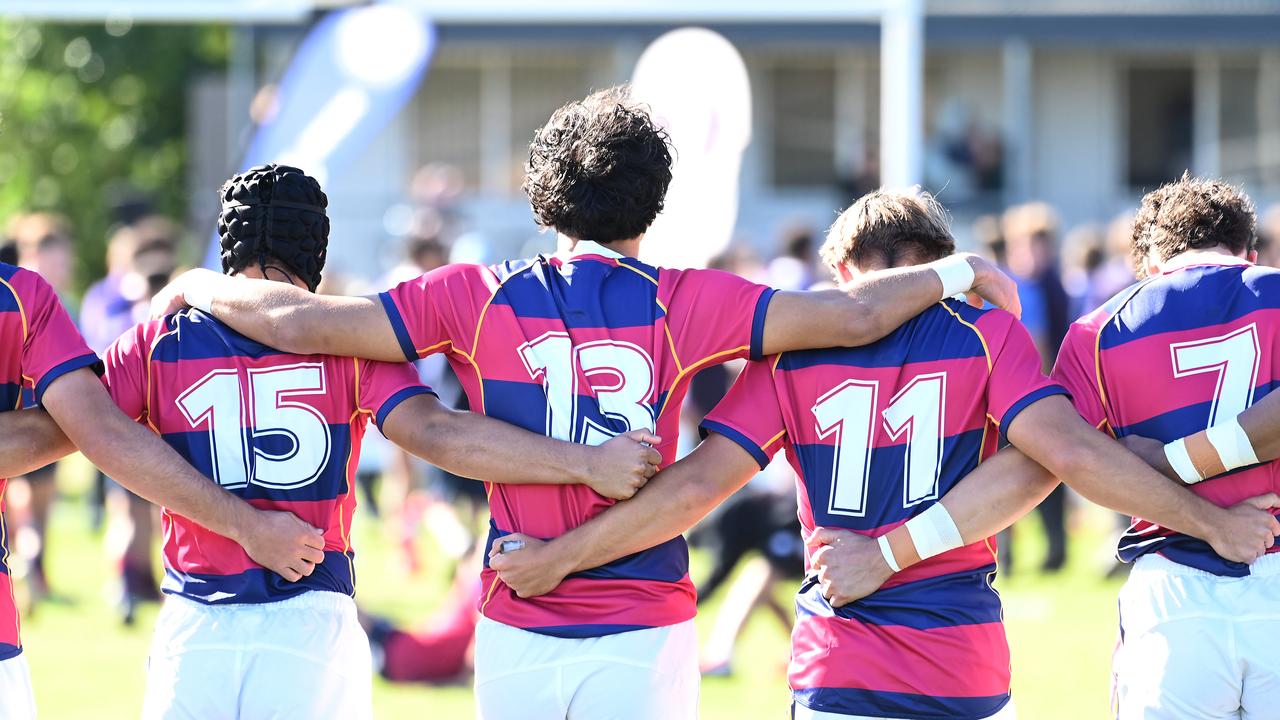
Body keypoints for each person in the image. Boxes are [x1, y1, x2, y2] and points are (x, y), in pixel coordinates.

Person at [151, 87, 1021, 720]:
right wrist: (961, 268)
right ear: (654, 199)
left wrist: (197, 280)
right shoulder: (687, 299)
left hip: (518, 607)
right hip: (644, 616)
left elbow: (305, 325)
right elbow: (859, 310)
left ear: (542, 193)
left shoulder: (476, 294)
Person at [484, 188, 1280, 720]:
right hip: (961, 650)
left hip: (840, 652)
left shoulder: (791, 359)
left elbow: (692, 492)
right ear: (938, 263)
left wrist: (566, 553)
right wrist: (1206, 515)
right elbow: (1059, 458)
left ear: (843, 273)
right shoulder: (985, 332)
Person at [83, 164, 658, 719]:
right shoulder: (348, 344)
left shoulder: (157, 340)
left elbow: (92, 430)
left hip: (195, 622)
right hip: (308, 619)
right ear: (316, 250)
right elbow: (437, 433)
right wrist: (584, 463)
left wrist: (240, 525)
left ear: (227, 246)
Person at [0, 251, 328, 720]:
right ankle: (126, 588)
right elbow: (96, 428)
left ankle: (126, 588)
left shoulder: (25, 297)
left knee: (125, 516)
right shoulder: (22, 296)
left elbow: (95, 427)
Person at [1049, 174, 1280, 719]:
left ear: (1150, 263)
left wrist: (1172, 464)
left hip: (1172, 588)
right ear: (1248, 250)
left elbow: (1070, 459)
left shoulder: (1097, 329)